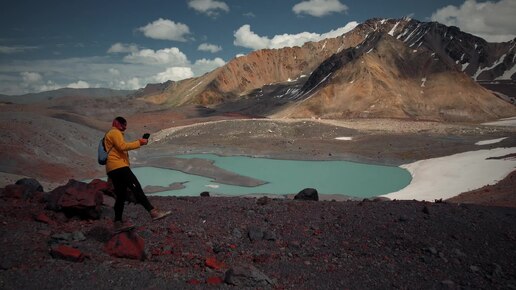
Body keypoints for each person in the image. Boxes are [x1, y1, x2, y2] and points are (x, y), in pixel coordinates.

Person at [104, 116, 171, 232]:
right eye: (123, 124)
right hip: (119, 167)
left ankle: (117, 223)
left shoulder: (111, 134)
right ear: (116, 123)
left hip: (112, 168)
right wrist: (139, 142)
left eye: (125, 124)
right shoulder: (115, 132)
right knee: (136, 187)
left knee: (121, 196)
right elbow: (122, 146)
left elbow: (118, 148)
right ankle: (153, 212)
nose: (124, 127)